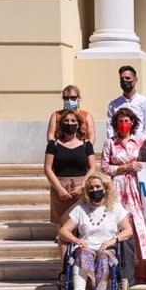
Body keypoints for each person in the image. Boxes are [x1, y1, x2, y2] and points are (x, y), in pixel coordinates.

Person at [59, 173, 133, 290]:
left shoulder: (115, 208)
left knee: (104, 257)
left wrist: (114, 239)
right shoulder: (80, 209)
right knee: (83, 254)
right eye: (91, 188)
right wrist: (76, 239)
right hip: (86, 246)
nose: (94, 190)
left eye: (98, 186)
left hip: (107, 247)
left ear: (105, 188)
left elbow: (128, 230)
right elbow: (64, 230)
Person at [101, 107, 146, 285]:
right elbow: (105, 167)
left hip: (135, 188)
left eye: (127, 121)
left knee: (138, 228)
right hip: (117, 188)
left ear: (133, 123)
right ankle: (120, 270)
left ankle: (143, 268)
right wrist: (124, 168)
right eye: (120, 121)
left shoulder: (140, 142)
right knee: (119, 227)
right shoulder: (110, 143)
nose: (123, 124)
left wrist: (136, 169)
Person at [44, 109, 97, 258]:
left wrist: (83, 186)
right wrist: (59, 189)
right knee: (64, 231)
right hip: (60, 189)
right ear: (61, 124)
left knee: (83, 229)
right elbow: (48, 168)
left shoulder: (86, 144)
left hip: (81, 189)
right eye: (66, 121)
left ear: (79, 123)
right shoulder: (53, 144)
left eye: (73, 121)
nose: (70, 124)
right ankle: (64, 270)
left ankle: (81, 267)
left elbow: (92, 167)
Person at [106, 66, 146, 139]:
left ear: (135, 80)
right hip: (119, 146)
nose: (124, 81)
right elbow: (110, 128)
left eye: (127, 78)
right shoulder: (113, 105)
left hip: (140, 146)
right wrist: (115, 143)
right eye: (121, 79)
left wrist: (140, 143)